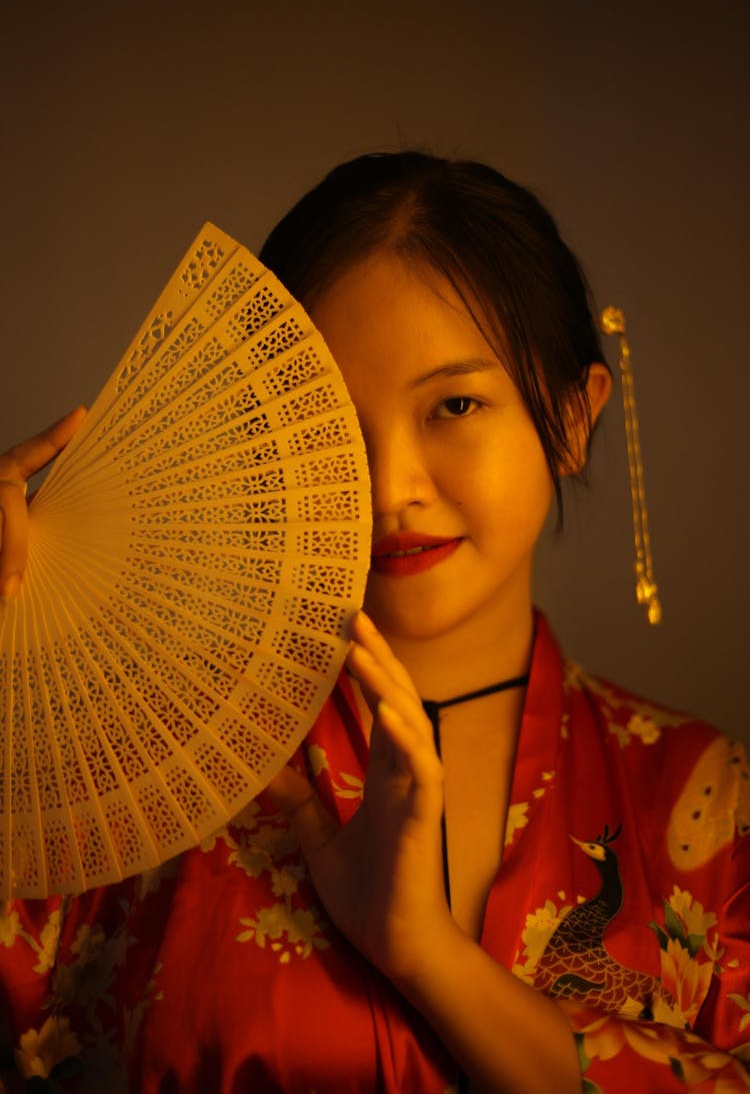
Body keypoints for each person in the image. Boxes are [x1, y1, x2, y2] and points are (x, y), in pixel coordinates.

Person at [0, 151, 748, 1093]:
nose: (389, 489)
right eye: (331, 431)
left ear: (570, 416)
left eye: (455, 406)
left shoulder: (700, 797)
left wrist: (427, 954)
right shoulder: (125, 764)